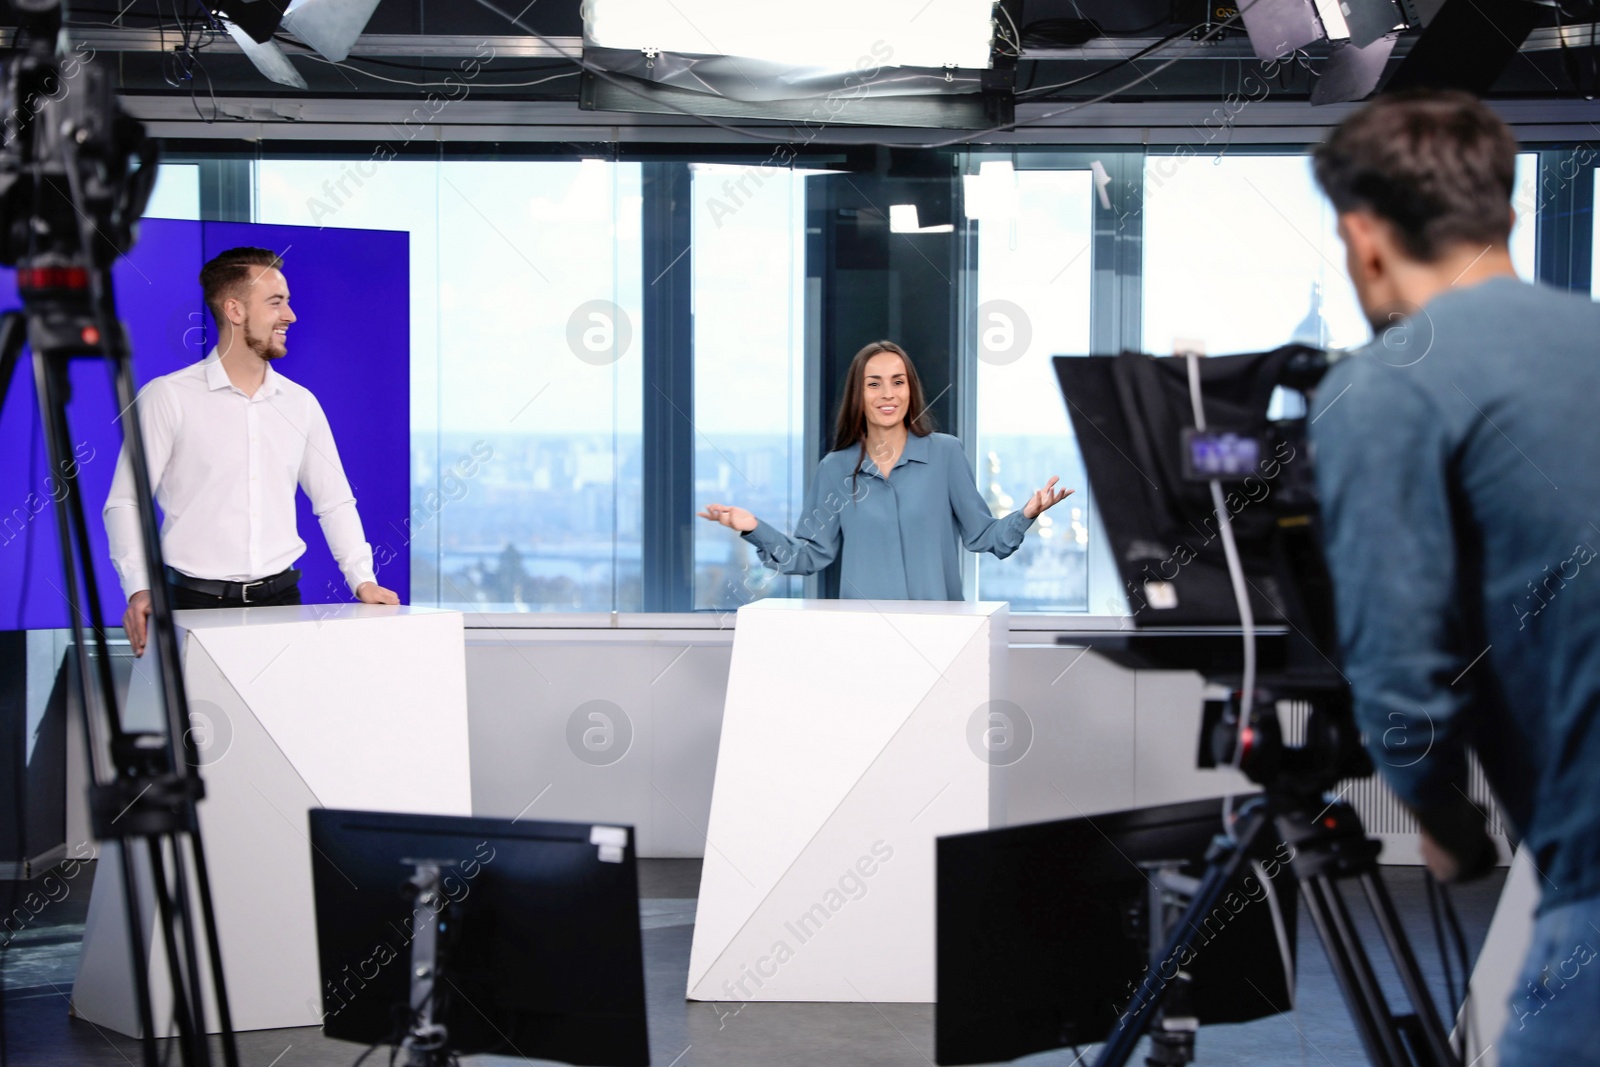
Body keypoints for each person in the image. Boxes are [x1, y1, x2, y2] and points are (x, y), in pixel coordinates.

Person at [1308, 90, 1600, 1064]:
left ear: (1364, 239)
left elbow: (1400, 678)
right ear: (1505, 213)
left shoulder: (1388, 384)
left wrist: (1446, 825)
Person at [105, 246, 398, 656]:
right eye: (276, 302)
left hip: (281, 604)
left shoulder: (301, 403)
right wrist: (138, 587)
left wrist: (362, 579)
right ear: (235, 310)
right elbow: (125, 502)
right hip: (192, 604)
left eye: (287, 302)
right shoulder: (168, 396)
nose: (290, 315)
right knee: (195, 703)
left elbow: (334, 501)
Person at [698, 339, 1072, 600]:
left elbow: (984, 537)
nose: (888, 394)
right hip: (865, 638)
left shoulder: (946, 454)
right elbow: (809, 555)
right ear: (859, 395)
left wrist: (1025, 515)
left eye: (897, 382)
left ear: (911, 390)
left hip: (942, 633)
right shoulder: (835, 469)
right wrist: (753, 527)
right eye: (874, 384)